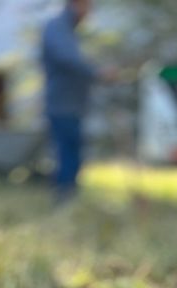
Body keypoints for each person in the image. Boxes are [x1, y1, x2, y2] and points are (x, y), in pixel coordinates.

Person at [41, 0, 112, 197]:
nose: (89, 12)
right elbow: (69, 59)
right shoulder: (57, 27)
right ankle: (64, 194)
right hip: (62, 102)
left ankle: (68, 191)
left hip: (72, 102)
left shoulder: (68, 29)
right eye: (87, 6)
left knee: (73, 148)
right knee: (67, 149)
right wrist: (97, 73)